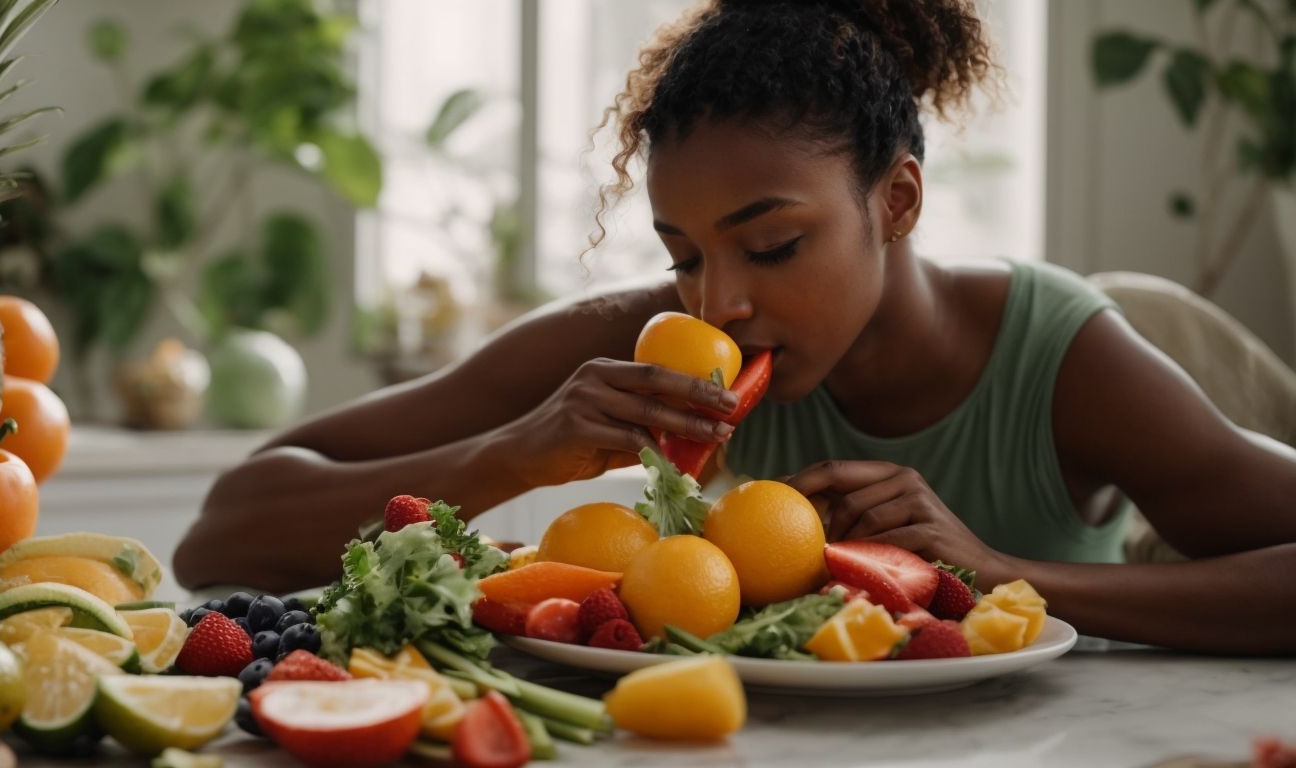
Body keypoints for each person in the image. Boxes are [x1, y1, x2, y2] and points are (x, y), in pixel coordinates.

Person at [174, 0, 1296, 654]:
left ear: (896, 201)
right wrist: (512, 454)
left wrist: (1005, 572)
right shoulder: (639, 341)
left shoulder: (1064, 360)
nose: (718, 305)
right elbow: (222, 534)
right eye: (682, 254)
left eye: (772, 247)